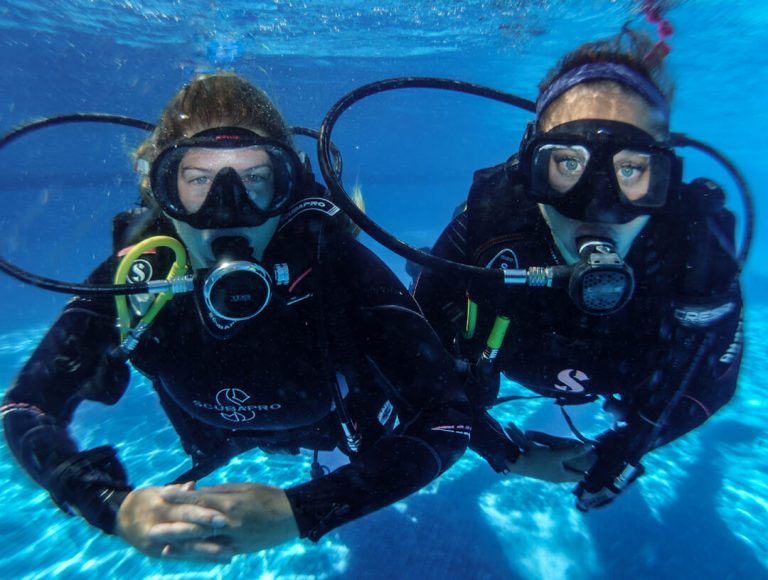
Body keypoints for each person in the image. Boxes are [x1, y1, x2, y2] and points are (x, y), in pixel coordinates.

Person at [2, 72, 471, 561]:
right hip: (211, 439)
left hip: (329, 427)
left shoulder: (333, 264)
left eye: (254, 180)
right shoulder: (141, 276)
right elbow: (26, 406)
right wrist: (113, 505)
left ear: (286, 187)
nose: (227, 210)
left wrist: (304, 509)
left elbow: (447, 416)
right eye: (198, 180)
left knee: (353, 447)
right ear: (162, 190)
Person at [413, 29, 743, 510]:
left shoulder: (695, 253)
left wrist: (626, 448)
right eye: (568, 164)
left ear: (665, 179)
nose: (598, 206)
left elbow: (713, 379)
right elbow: (412, 361)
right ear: (530, 165)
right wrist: (503, 452)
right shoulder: (486, 230)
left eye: (631, 169)